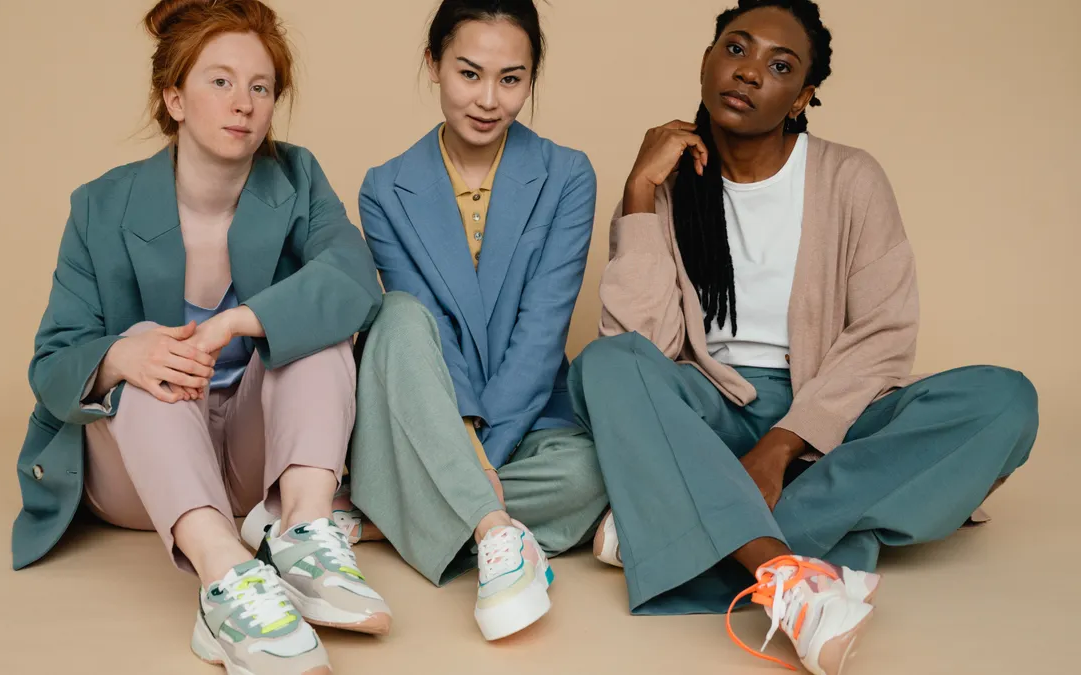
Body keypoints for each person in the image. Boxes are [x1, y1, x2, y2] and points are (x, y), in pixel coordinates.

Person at [566, 0, 1039, 672]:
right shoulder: (668, 185)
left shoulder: (851, 177)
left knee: (1005, 401)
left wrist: (784, 443)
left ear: (802, 97)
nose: (750, 72)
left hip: (830, 417)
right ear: (706, 61)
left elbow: (883, 335)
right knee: (606, 364)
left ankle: (675, 525)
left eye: (779, 65)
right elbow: (639, 342)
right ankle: (788, 575)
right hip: (704, 412)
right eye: (736, 49)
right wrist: (640, 191)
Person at [9, 2, 391, 673]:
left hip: (250, 463)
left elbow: (354, 279)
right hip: (140, 471)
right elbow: (51, 362)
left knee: (314, 326)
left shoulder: (297, 178)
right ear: (174, 97)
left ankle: (303, 534)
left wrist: (241, 319)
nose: (242, 103)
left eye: (261, 87)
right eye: (219, 82)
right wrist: (123, 353)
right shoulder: (100, 205)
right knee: (154, 346)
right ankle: (226, 581)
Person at [343, 0, 607, 642]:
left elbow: (544, 333)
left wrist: (477, 465)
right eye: (469, 74)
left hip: (529, 415)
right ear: (433, 65)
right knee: (400, 316)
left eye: (511, 79)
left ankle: (380, 518)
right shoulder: (384, 187)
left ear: (530, 79)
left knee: (592, 474)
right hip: (426, 412)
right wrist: (462, 447)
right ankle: (492, 533)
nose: (489, 99)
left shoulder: (568, 174)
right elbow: (428, 332)